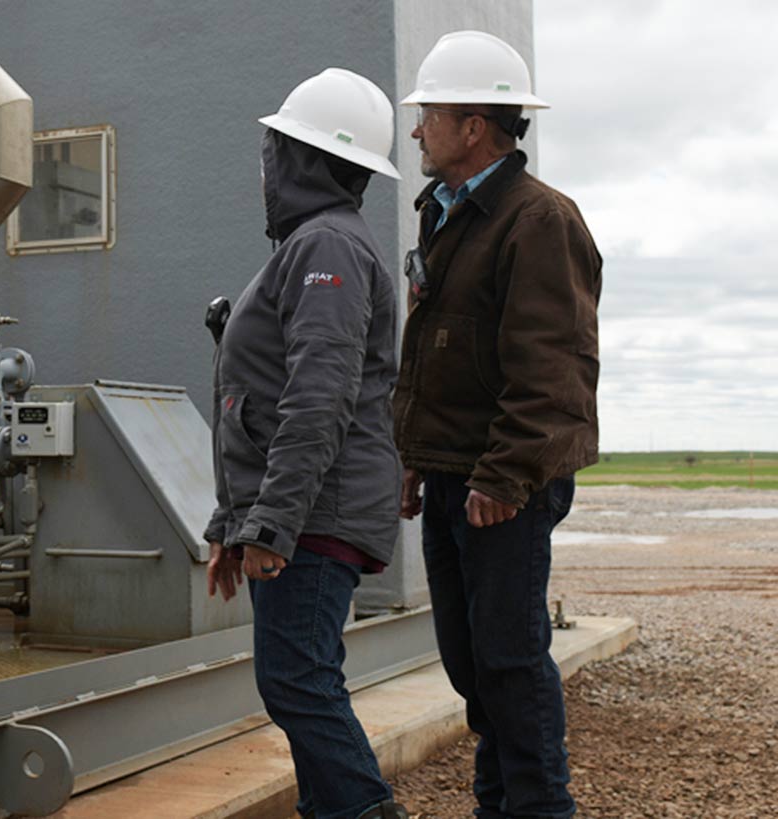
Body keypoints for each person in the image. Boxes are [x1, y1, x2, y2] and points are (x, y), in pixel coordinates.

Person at [394, 30, 601, 819]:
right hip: (454, 473)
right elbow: (434, 354)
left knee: (511, 661)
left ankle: (540, 808)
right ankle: (499, 805)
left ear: (473, 125)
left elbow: (552, 369)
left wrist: (505, 475)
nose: (417, 129)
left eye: (429, 114)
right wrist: (416, 456)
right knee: (471, 662)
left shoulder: (538, 219)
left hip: (500, 484)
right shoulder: (446, 215)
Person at [203, 67, 409, 819]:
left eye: (278, 146)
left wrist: (274, 521)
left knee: (297, 679)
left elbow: (318, 396)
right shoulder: (313, 244)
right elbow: (256, 400)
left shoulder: (328, 246)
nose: (267, 160)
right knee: (300, 679)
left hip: (316, 516)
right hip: (301, 513)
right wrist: (237, 524)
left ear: (304, 159)